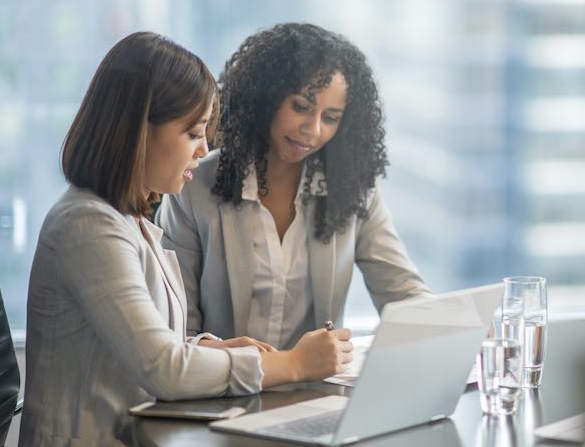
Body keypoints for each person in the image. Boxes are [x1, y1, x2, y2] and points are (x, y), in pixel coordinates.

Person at [16, 31, 353, 447]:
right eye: (192, 133)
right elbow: (165, 369)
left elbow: (153, 344)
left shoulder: (126, 218)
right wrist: (293, 364)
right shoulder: (88, 228)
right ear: (138, 131)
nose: (204, 150)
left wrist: (213, 349)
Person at [156, 22, 431, 351]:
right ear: (266, 98)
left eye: (330, 117)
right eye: (301, 107)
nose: (312, 130)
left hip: (315, 395)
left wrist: (457, 328)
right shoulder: (193, 188)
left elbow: (403, 292)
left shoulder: (354, 191)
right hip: (222, 394)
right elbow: (175, 330)